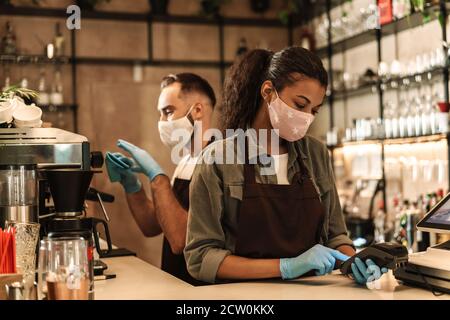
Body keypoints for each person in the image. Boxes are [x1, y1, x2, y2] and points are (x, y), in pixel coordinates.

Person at [184, 47, 387, 285]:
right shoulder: (217, 159)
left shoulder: (316, 154)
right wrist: (286, 267)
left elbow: (335, 236)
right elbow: (201, 258)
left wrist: (355, 262)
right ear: (268, 92)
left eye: (314, 110)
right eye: (300, 105)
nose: (307, 118)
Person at [106, 73, 216, 285]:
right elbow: (153, 225)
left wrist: (158, 178)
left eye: (168, 112)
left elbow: (180, 239)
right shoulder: (186, 161)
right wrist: (132, 185)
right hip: (177, 284)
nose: (162, 122)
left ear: (198, 110)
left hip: (200, 291)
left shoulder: (215, 162)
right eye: (160, 114)